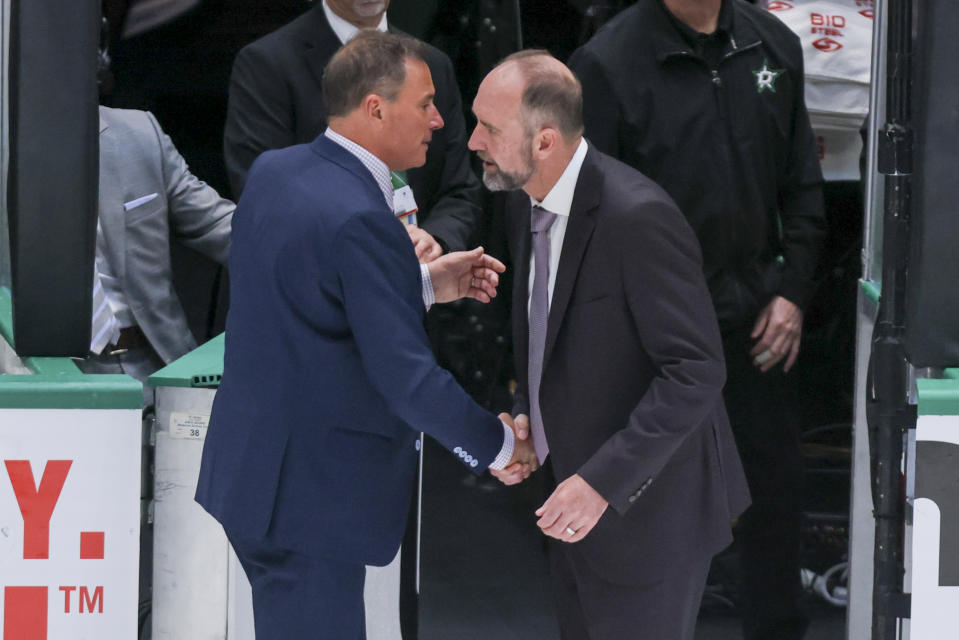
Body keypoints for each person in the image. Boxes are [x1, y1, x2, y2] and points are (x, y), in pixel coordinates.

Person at [195, 32, 537, 639]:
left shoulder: (278, 172)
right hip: (310, 504)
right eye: (425, 104)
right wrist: (499, 447)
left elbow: (305, 294)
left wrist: (422, 284)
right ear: (375, 108)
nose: (438, 120)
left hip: (252, 479)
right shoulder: (361, 218)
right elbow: (408, 381)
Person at [567, 1, 827, 637]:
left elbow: (803, 187)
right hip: (659, 333)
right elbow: (585, 216)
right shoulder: (607, 63)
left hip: (759, 318)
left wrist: (792, 290)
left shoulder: (772, 45)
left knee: (774, 489)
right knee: (647, 501)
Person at [471, 51, 750, 640]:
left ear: (544, 141)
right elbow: (548, 337)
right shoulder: (526, 205)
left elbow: (695, 371)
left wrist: (601, 482)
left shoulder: (638, 218)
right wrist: (526, 415)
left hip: (647, 514)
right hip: (569, 508)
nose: (474, 140)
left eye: (489, 129)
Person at [223, 0, 480, 261]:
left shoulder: (434, 63)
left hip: (417, 286)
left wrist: (433, 240)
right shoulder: (267, 62)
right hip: (314, 284)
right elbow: (265, 197)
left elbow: (459, 189)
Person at [81, 106, 234, 395]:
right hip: (38, 375)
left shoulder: (139, 132)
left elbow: (215, 223)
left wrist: (311, 251)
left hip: (153, 363)